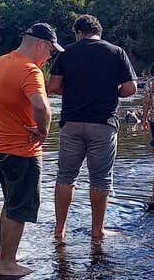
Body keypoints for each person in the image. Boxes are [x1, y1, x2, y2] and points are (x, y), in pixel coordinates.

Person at [0, 23, 58, 277]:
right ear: (41, 45)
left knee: (11, 202)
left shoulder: (0, 62)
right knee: (19, 208)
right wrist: (43, 132)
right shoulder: (30, 70)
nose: (50, 57)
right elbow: (42, 107)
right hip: (21, 150)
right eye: (51, 51)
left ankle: (3, 254)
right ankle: (7, 263)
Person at [47, 14, 137, 241]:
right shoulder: (116, 52)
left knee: (66, 176)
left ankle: (60, 230)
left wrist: (72, 90)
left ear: (79, 33)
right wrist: (111, 91)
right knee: (100, 179)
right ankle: (97, 230)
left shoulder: (67, 52)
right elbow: (130, 88)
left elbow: (53, 86)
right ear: (99, 32)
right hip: (103, 123)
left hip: (72, 122)